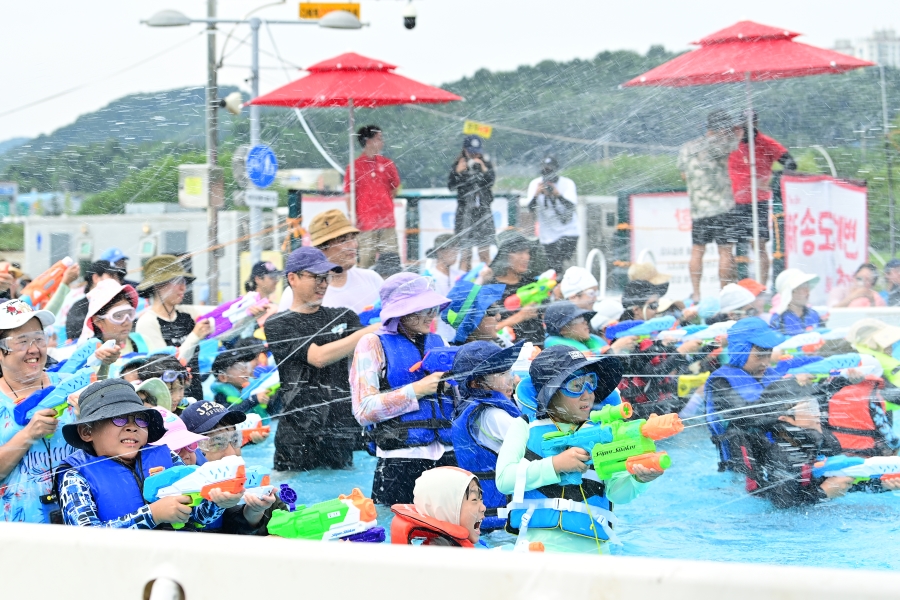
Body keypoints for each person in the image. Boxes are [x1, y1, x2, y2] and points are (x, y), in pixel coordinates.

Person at [495, 345, 663, 553]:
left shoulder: (604, 432)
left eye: (590, 383)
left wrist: (638, 480)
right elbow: (504, 480)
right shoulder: (524, 426)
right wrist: (555, 465)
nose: (587, 395)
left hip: (595, 551)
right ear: (551, 394)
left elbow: (617, 494)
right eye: (576, 385)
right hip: (540, 549)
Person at [57, 380, 237, 528]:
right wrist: (153, 515)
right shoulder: (75, 476)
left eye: (140, 419)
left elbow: (198, 516)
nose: (132, 427)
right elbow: (85, 538)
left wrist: (218, 502)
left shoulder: (169, 456)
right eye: (118, 419)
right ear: (87, 432)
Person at [265, 247, 379, 471]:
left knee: (346, 497)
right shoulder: (278, 324)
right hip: (297, 431)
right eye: (315, 277)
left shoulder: (343, 316)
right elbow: (318, 357)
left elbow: (365, 350)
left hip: (340, 428)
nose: (323, 284)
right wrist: (366, 332)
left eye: (326, 277)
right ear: (292, 278)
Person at [350, 272, 455, 505]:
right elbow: (363, 411)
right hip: (400, 464)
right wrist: (417, 390)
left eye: (432, 307)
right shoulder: (372, 344)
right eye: (423, 308)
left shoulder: (440, 343)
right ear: (401, 311)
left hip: (448, 459)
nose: (432, 315)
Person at [0, 299, 75, 523]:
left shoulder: (71, 386)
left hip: (79, 523)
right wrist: (27, 435)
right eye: (22, 341)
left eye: (38, 339)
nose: (34, 350)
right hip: (17, 532)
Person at [449, 341, 522, 531]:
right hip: (502, 522)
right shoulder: (493, 416)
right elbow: (534, 448)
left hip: (487, 520)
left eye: (509, 372)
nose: (511, 380)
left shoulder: (479, 410)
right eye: (501, 375)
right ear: (476, 383)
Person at [180, 401, 279, 533]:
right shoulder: (175, 498)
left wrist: (255, 513)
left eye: (235, 440)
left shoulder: (255, 486)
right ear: (188, 450)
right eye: (217, 443)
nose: (232, 453)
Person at [705, 317, 785, 471]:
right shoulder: (721, 382)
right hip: (741, 471)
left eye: (769, 354)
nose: (766, 362)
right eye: (759, 355)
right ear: (741, 351)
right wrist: (785, 409)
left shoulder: (771, 375)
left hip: (776, 462)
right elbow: (744, 415)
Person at [727, 112, 796, 285]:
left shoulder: (766, 143)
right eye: (741, 124)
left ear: (756, 123)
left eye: (748, 124)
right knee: (735, 247)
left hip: (759, 201)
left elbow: (791, 163)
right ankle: (740, 286)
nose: (743, 128)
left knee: (759, 245)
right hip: (735, 201)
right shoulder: (729, 143)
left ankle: (762, 286)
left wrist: (770, 178)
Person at [678, 110, 740, 301]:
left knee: (698, 250)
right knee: (725, 251)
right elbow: (736, 145)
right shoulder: (721, 146)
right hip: (723, 207)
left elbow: (683, 175)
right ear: (723, 128)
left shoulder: (687, 148)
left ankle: (696, 293)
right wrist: (737, 133)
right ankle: (723, 293)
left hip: (698, 209)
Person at [135, 255, 211, 400]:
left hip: (195, 394)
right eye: (177, 282)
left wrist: (249, 314)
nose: (183, 287)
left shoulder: (188, 314)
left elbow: (221, 331)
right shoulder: (147, 322)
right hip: (169, 399)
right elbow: (166, 367)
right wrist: (194, 336)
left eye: (184, 282)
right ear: (158, 285)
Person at [279, 210, 384, 314]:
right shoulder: (297, 293)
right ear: (321, 247)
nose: (353, 245)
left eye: (353, 238)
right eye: (343, 240)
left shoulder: (372, 279)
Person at [345, 125, 401, 268]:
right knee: (366, 259)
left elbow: (395, 188)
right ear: (368, 141)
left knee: (391, 258)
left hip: (386, 220)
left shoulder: (387, 163)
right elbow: (349, 193)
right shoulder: (354, 167)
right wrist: (353, 215)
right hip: (365, 221)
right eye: (379, 139)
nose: (382, 142)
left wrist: (383, 202)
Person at [390, 466, 488, 547]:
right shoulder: (440, 557)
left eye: (481, 499)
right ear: (448, 509)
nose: (483, 507)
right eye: (474, 499)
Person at [487, 230, 550, 346]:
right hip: (507, 354)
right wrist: (520, 316)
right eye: (520, 252)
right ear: (504, 255)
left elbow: (550, 322)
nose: (526, 257)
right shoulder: (490, 289)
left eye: (527, 252)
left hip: (538, 352)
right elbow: (485, 332)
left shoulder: (534, 285)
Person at [448, 135, 496, 272]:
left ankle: (487, 283)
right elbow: (451, 186)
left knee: (484, 253)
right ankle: (464, 286)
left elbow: (491, 182)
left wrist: (484, 169)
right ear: (464, 150)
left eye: (477, 151)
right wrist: (458, 172)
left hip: (483, 211)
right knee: (465, 253)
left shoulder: (485, 163)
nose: (475, 155)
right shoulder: (459, 164)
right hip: (465, 213)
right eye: (471, 152)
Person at [525, 157, 579, 274]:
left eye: (550, 171)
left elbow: (571, 205)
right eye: (545, 171)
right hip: (548, 233)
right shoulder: (535, 184)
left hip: (568, 231)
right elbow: (530, 208)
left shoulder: (567, 183)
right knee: (552, 266)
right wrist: (536, 194)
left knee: (559, 261)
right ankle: (556, 286)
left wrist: (557, 195)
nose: (548, 175)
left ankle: (561, 282)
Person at [79, 279, 142, 377]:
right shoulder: (90, 355)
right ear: (98, 322)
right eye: (118, 316)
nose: (126, 322)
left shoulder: (142, 341)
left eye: (129, 314)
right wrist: (105, 364)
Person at [65, 260, 127, 342]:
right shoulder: (79, 308)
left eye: (118, 278)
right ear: (96, 278)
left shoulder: (120, 304)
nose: (117, 281)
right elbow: (77, 340)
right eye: (112, 276)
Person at [440, 281, 507, 347]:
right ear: (471, 321)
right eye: (492, 311)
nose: (499, 317)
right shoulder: (457, 356)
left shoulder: (503, 344)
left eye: (496, 309)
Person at [769, 269, 823, 335]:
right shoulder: (779, 320)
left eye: (807, 286)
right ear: (790, 292)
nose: (808, 291)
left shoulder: (814, 315)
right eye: (803, 287)